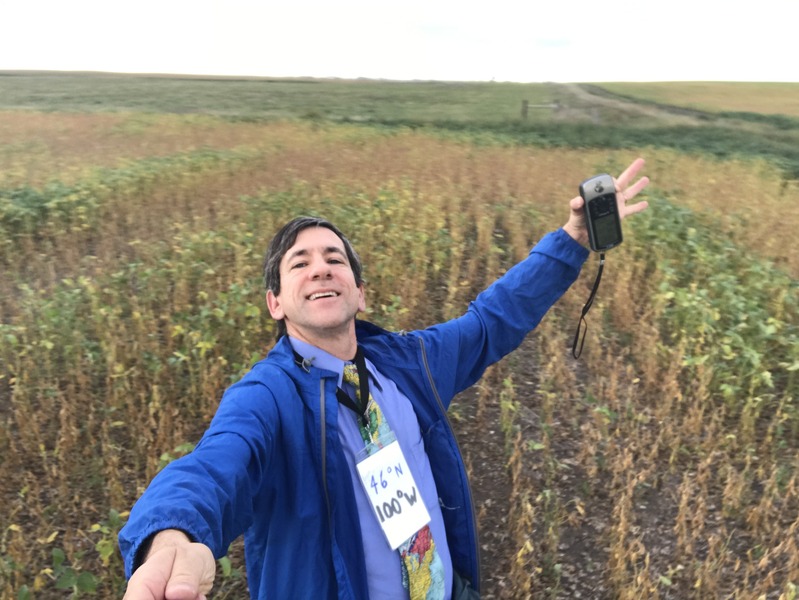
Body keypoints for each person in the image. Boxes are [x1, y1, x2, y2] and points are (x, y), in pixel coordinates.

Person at [119, 158, 650, 600]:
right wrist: (171, 534)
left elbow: (493, 320)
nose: (321, 269)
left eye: (334, 259)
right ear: (275, 302)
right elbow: (214, 465)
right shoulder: (267, 398)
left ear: (360, 292)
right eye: (299, 263)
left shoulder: (408, 363)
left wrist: (573, 240)